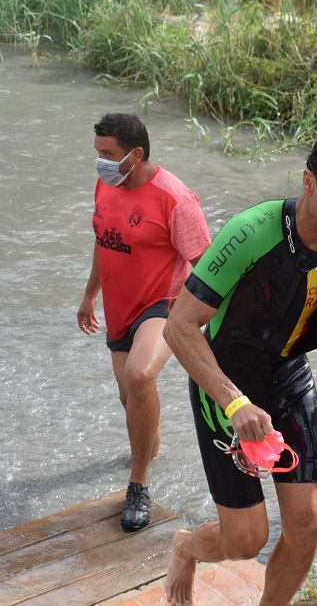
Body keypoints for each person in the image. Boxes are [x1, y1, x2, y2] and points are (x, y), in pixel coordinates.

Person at [162, 129, 317, 605]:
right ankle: (185, 548)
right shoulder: (249, 233)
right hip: (227, 383)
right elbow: (178, 328)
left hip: (288, 374)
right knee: (246, 540)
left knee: (308, 523)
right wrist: (234, 401)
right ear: (308, 182)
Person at [78, 113, 211, 532]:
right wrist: (88, 295)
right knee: (131, 399)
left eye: (108, 154)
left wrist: (212, 328)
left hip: (163, 304)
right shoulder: (107, 183)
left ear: (136, 154)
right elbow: (104, 242)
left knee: (139, 375)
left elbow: (208, 269)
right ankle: (150, 453)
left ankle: (138, 485)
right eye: (98, 153)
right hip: (120, 308)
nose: (100, 162)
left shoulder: (175, 200)